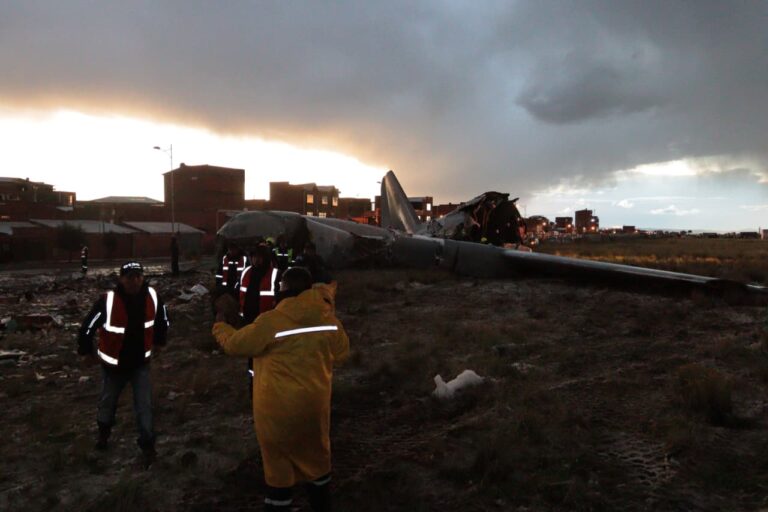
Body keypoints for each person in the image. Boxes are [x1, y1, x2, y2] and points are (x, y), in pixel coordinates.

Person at [212, 267, 349, 512]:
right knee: (317, 466)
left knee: (279, 475)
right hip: (315, 410)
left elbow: (235, 345)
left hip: (277, 414)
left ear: (283, 289)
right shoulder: (329, 321)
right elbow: (341, 353)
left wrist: (220, 326)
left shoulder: (271, 321)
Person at [77, 261, 169, 468]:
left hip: (140, 364)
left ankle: (148, 446)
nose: (134, 281)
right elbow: (87, 327)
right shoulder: (108, 301)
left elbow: (163, 320)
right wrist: (86, 352)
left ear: (142, 278)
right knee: (108, 403)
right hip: (114, 367)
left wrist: (160, 342)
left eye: (138, 276)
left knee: (144, 406)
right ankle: (103, 435)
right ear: (121, 279)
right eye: (129, 277)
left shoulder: (152, 297)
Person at [238, 244, 279, 389]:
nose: (256, 260)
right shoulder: (246, 272)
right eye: (253, 257)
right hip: (249, 319)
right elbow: (241, 294)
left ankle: (267, 381)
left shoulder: (274, 274)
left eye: (259, 257)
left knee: (267, 352)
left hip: (267, 321)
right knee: (252, 352)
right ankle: (253, 382)